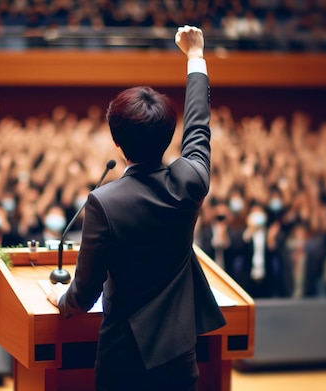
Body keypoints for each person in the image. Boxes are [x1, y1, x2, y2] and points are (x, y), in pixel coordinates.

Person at [47, 26, 226, 391]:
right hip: (179, 357)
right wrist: (195, 57)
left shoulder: (105, 201)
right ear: (167, 134)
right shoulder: (188, 182)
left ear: (117, 141)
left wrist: (60, 299)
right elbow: (198, 128)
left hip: (124, 362)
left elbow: (84, 295)